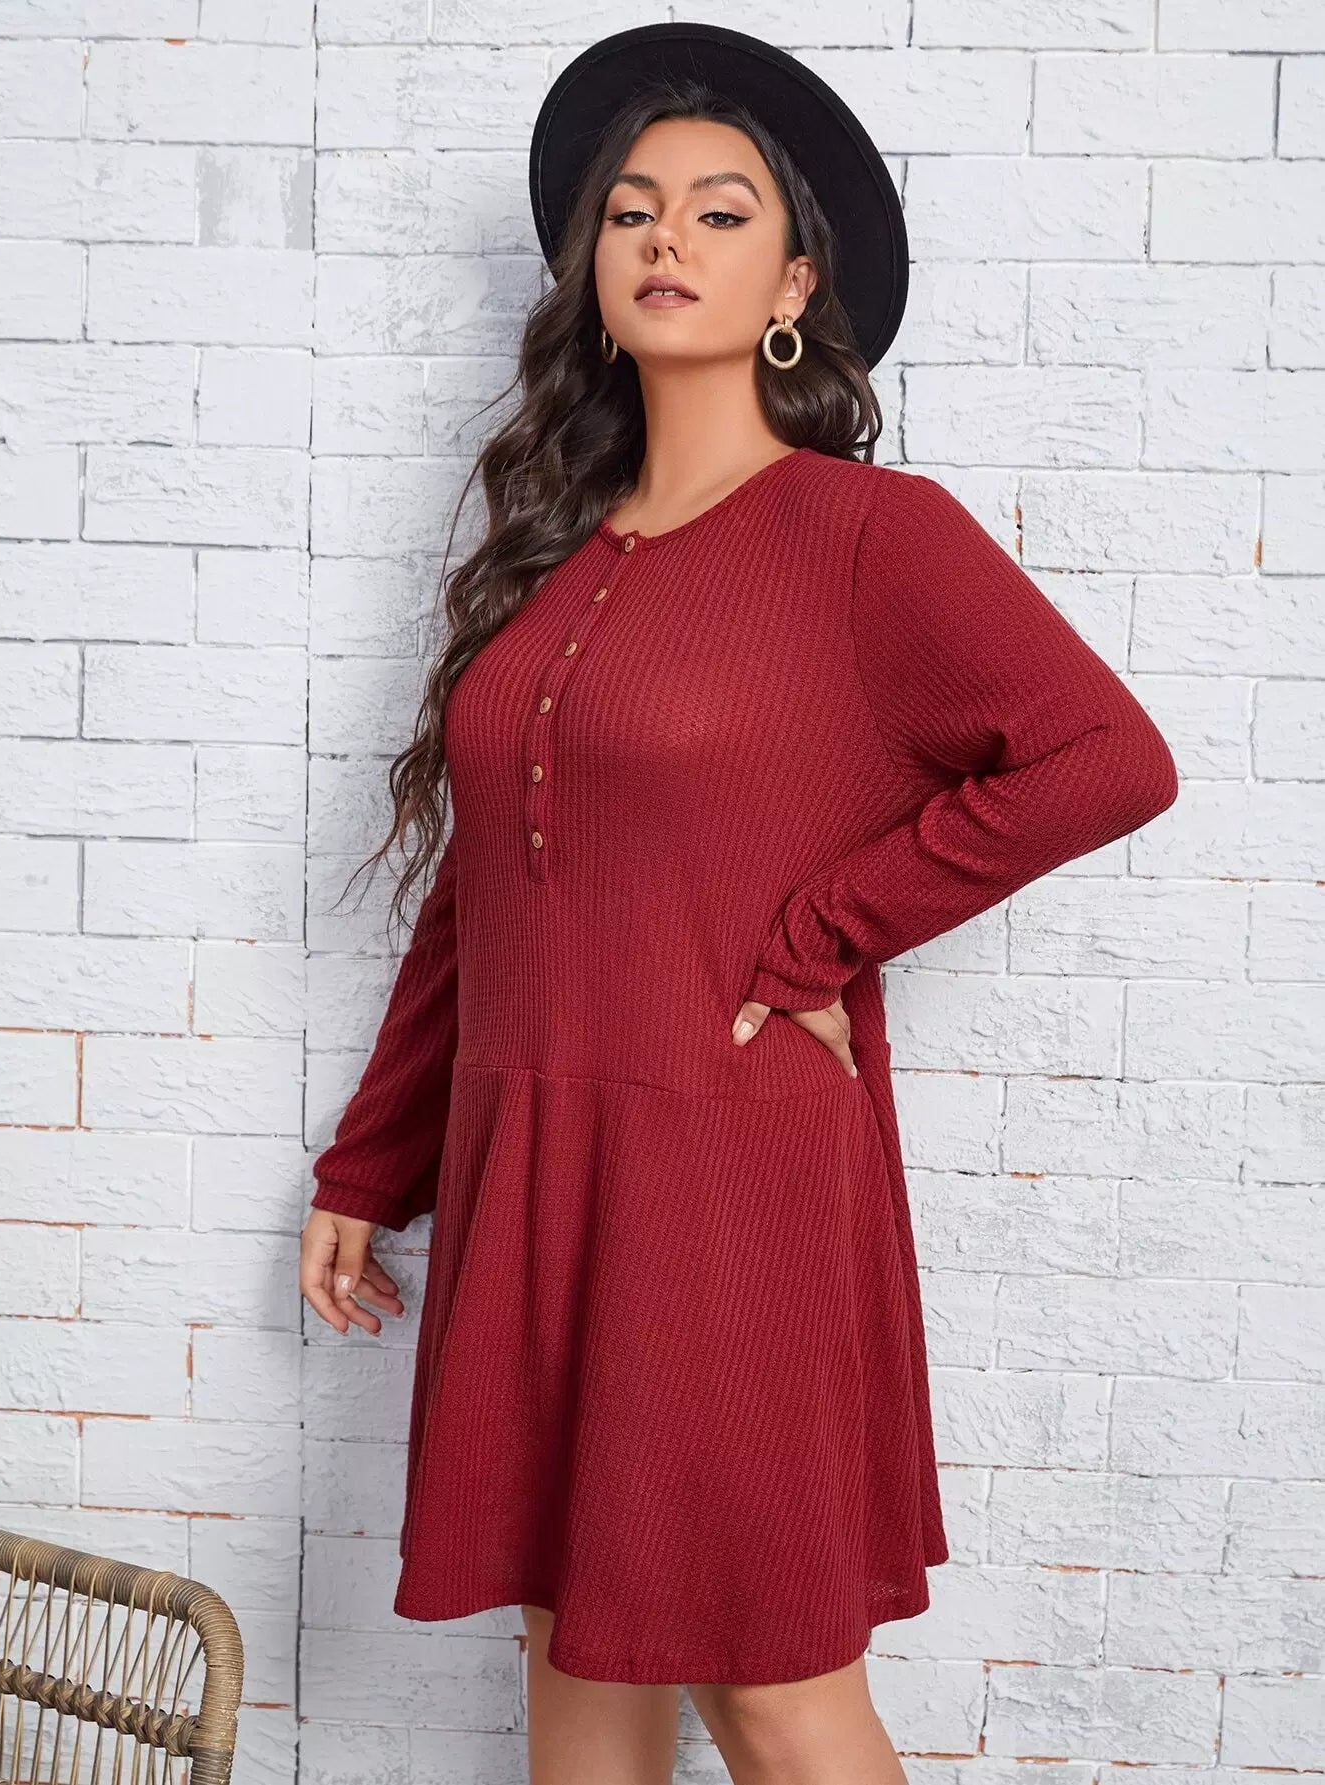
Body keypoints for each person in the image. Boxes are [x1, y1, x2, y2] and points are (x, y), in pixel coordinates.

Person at [298, 23, 1180, 1784]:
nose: (664, 237)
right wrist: (369, 1164)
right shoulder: (558, 563)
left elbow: (1108, 757)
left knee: (770, 1684)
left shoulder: (868, 535)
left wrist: (819, 936)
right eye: (632, 210)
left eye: (718, 211)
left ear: (793, 283)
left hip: (723, 1161)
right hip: (533, 1162)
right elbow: (483, 897)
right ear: (593, 269)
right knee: (570, 1640)